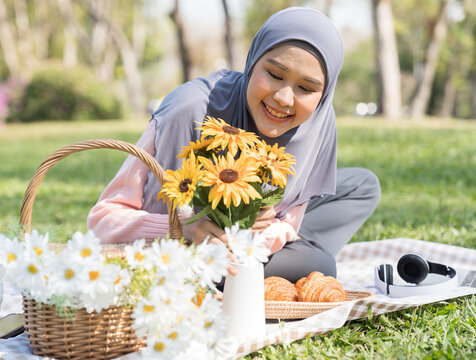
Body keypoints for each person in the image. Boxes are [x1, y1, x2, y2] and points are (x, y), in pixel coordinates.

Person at [87, 7, 381, 283]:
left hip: (248, 247)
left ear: (324, 93)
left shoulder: (317, 122)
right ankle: (249, 273)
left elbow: (290, 220)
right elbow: (101, 223)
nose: (284, 98)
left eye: (306, 88)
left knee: (362, 185)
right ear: (252, 62)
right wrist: (180, 227)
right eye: (275, 75)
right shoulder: (190, 111)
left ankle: (268, 265)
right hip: (180, 251)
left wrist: (271, 230)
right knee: (319, 264)